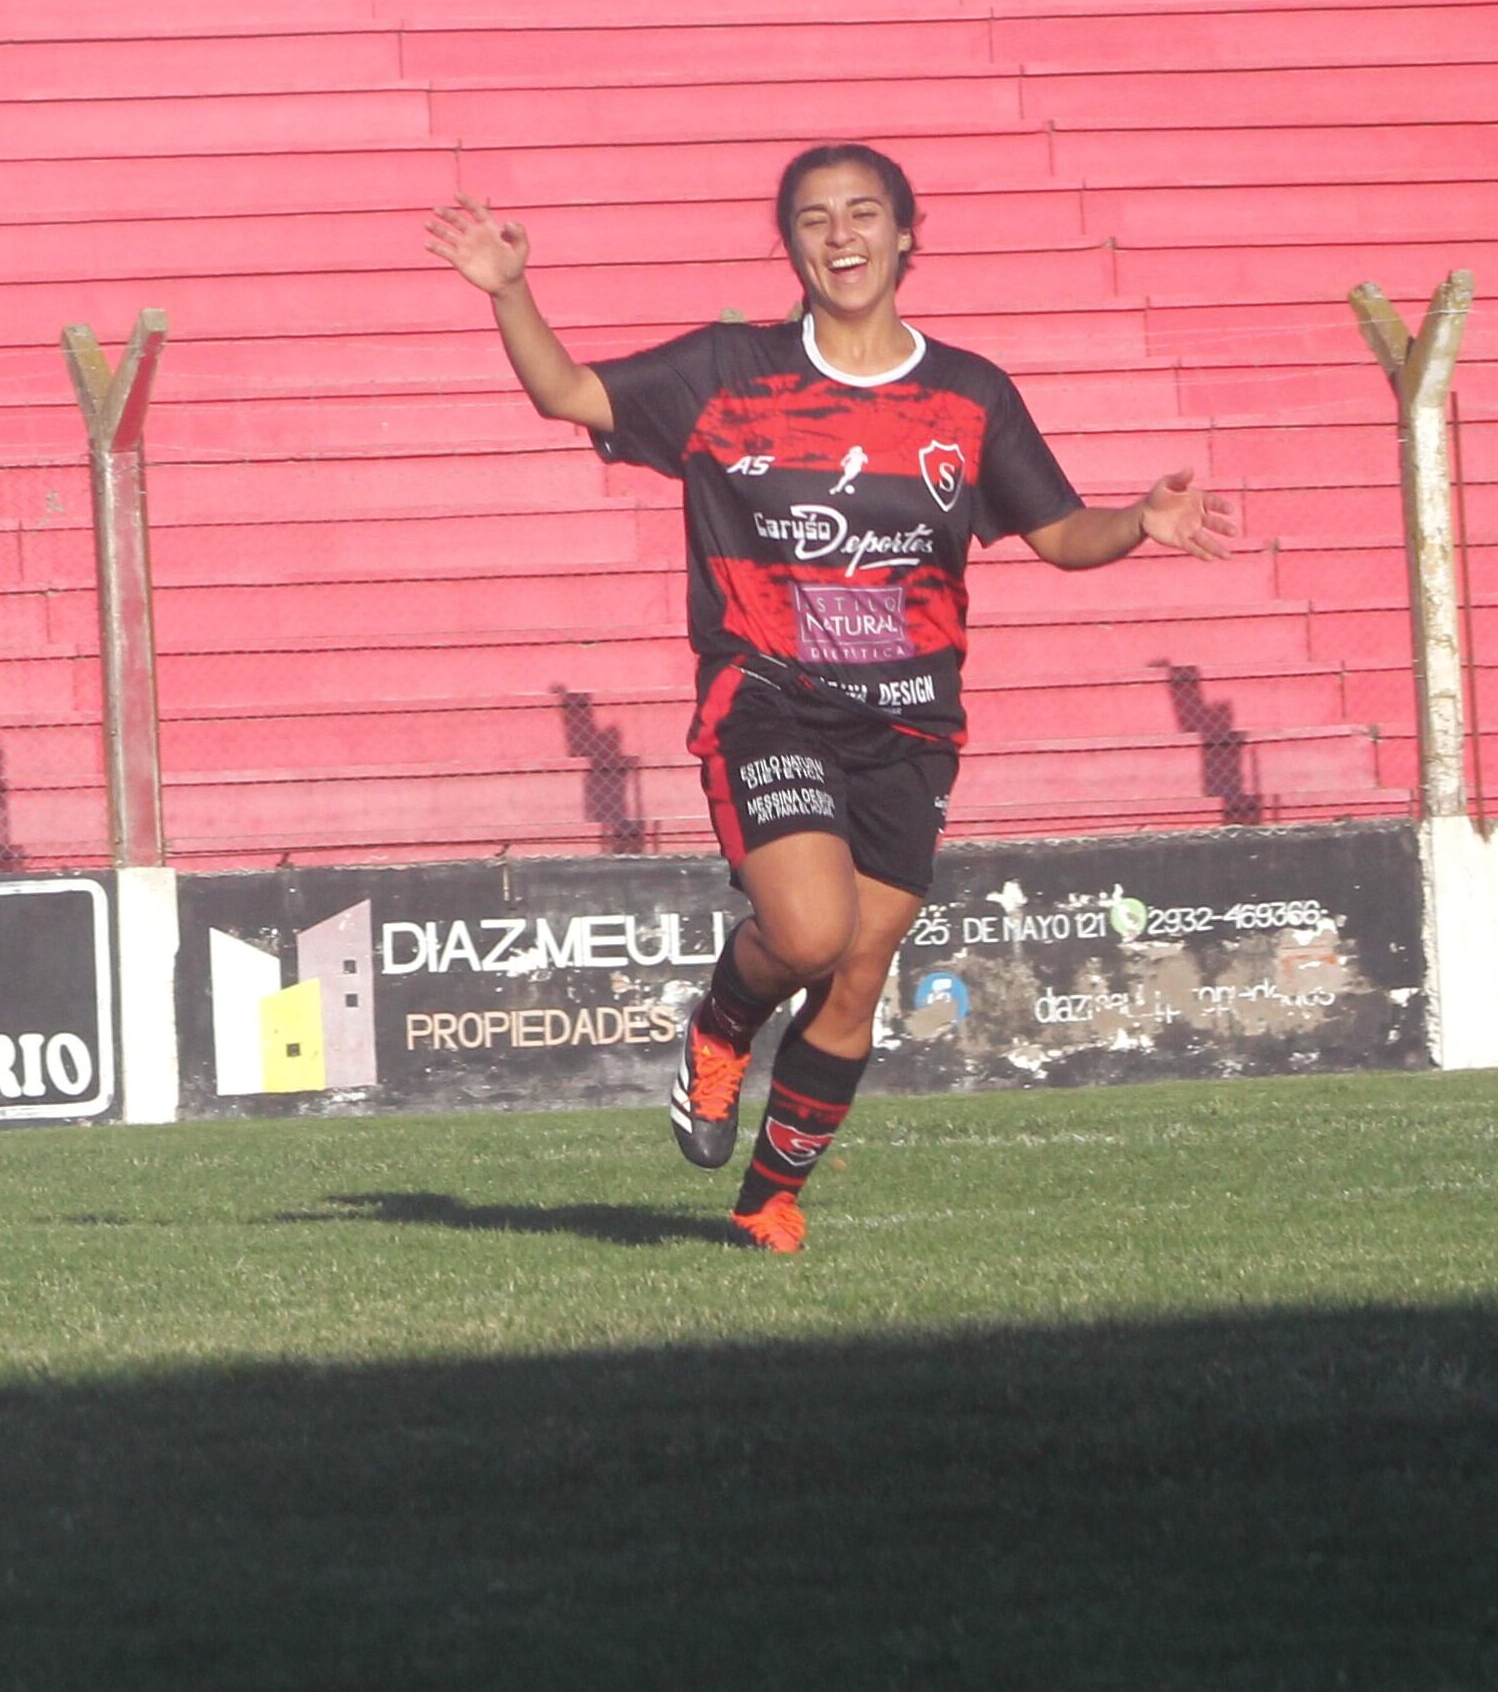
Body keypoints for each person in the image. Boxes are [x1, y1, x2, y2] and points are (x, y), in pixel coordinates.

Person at [426, 145, 1237, 1251]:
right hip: (766, 695)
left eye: (863, 214)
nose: (839, 235)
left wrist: (1134, 523)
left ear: (906, 234)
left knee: (857, 973)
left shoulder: (967, 393)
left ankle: (767, 1195)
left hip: (910, 719)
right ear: (789, 243)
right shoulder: (726, 370)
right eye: (813, 219)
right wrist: (509, 290)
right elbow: (564, 392)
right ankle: (718, 1027)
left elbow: (1054, 533)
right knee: (807, 933)